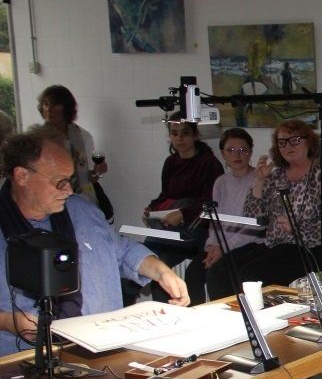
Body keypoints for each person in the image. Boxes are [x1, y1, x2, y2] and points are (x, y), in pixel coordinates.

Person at [0, 126, 189, 356]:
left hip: (101, 347)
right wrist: (8, 321)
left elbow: (122, 251)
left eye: (70, 180)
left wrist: (162, 272)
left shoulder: (82, 211)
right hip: (22, 357)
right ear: (22, 176)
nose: (69, 190)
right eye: (59, 182)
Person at [206, 120, 322, 294]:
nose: (288, 146)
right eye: (282, 142)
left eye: (295, 140)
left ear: (309, 142)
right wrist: (259, 181)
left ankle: (255, 312)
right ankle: (225, 311)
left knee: (249, 276)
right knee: (219, 272)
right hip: (276, 244)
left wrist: (299, 227)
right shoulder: (277, 175)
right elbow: (254, 216)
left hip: (315, 246)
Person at [125, 121, 223, 305]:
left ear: (195, 135)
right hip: (171, 228)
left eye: (185, 133)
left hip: (198, 229)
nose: (179, 138)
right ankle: (128, 301)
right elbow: (166, 195)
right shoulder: (171, 162)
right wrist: (152, 208)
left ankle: (170, 309)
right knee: (144, 256)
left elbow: (212, 201)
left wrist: (184, 213)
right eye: (174, 133)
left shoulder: (209, 163)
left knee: (160, 263)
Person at [183, 128, 263, 304]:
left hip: (248, 243)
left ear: (250, 152)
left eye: (243, 150)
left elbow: (254, 227)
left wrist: (223, 248)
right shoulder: (221, 182)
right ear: (223, 154)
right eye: (231, 150)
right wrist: (213, 245)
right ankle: (195, 316)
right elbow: (214, 220)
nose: (237, 155)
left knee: (217, 275)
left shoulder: (258, 179)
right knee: (193, 272)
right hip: (221, 244)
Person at [37, 85, 111, 220]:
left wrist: (97, 172)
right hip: (50, 203)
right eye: (46, 104)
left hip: (82, 202)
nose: (49, 109)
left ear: (66, 108)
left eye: (55, 104)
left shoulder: (83, 136)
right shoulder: (37, 139)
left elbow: (88, 179)